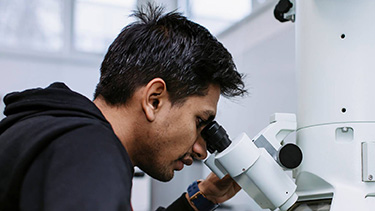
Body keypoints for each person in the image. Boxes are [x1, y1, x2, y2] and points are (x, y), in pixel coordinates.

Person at [0, 3, 246, 211]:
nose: (202, 150)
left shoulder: (58, 133)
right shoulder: (91, 152)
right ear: (154, 100)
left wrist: (205, 196)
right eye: (199, 122)